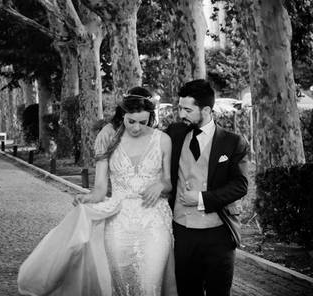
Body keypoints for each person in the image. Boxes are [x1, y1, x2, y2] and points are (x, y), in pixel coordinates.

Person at [18, 87, 177, 296]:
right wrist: (88, 197)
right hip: (119, 222)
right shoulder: (108, 140)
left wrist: (161, 185)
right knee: (122, 286)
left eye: (143, 122)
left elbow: (168, 182)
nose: (137, 127)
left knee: (150, 285)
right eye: (131, 121)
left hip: (154, 221)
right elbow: (100, 189)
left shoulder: (163, 140)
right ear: (122, 115)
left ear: (150, 118)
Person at [168, 80, 249, 296]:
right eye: (180, 108)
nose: (181, 114)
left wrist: (202, 198)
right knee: (187, 292)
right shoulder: (174, 134)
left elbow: (240, 185)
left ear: (205, 110)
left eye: (187, 110)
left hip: (218, 233)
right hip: (183, 232)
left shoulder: (233, 142)